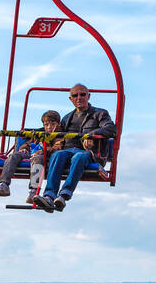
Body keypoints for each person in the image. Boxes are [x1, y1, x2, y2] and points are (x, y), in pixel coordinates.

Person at [36, 85, 116, 213]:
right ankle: (49, 196)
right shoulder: (67, 118)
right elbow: (53, 131)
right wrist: (29, 133)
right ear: (70, 99)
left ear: (88, 96)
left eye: (82, 94)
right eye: (75, 95)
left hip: (89, 152)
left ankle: (64, 195)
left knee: (79, 157)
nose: (79, 98)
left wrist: (92, 136)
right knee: (57, 155)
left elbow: (111, 129)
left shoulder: (99, 114)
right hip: (67, 150)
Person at [0, 109, 62, 202]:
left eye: (52, 124)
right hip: (31, 154)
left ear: (58, 124)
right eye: (46, 125)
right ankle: (4, 184)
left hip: (46, 157)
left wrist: (44, 151)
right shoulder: (39, 134)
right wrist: (24, 148)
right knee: (14, 155)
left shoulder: (60, 135)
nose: (49, 127)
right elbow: (28, 144)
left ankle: (33, 191)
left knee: (37, 159)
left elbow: (58, 147)